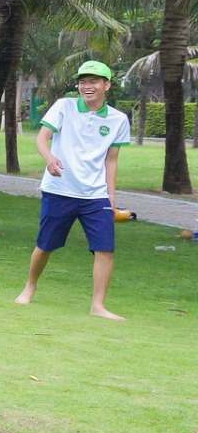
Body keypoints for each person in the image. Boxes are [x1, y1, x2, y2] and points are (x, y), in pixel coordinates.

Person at [16, 60, 130, 320]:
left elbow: (111, 160)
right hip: (59, 189)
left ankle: (98, 306)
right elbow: (42, 138)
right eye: (83, 82)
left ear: (106, 85)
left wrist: (111, 197)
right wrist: (49, 158)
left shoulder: (118, 119)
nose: (87, 86)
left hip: (96, 195)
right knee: (45, 245)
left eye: (93, 81)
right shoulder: (64, 106)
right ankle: (30, 286)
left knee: (105, 250)